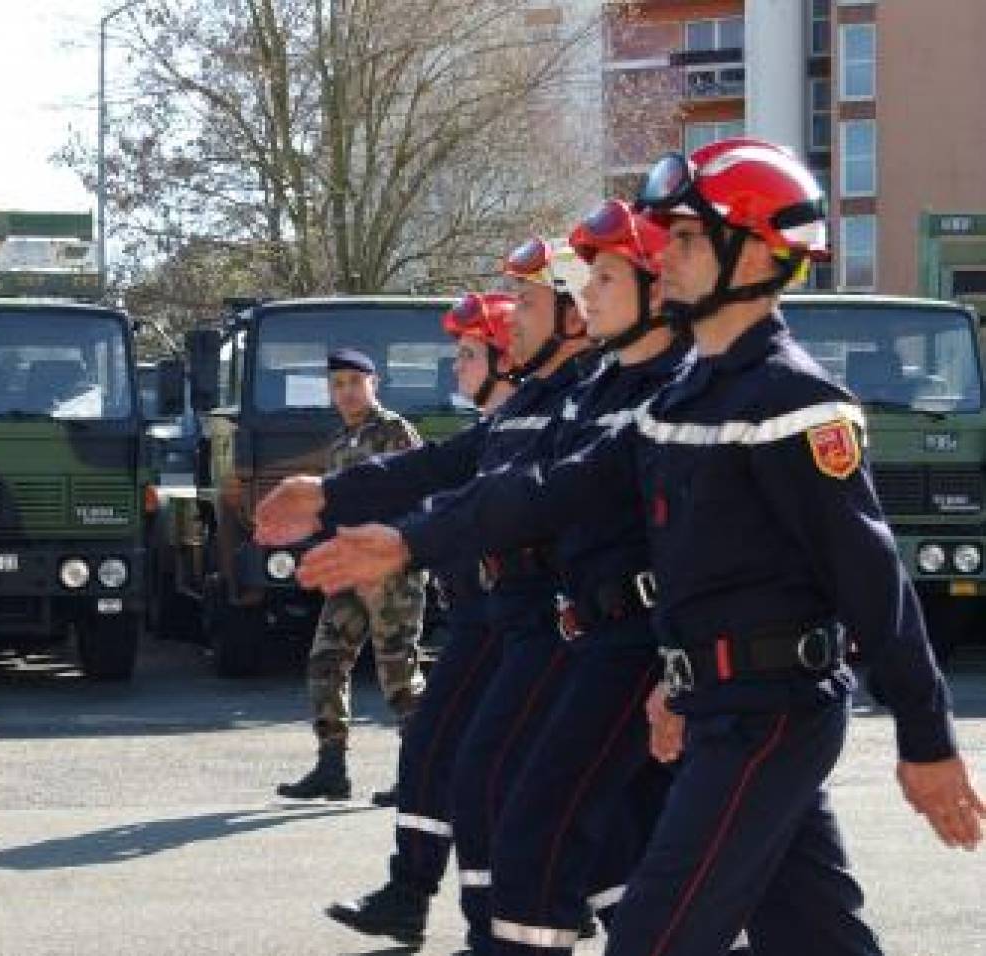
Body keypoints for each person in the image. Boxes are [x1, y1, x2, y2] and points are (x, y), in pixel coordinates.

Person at [285, 139, 985, 954]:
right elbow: (563, 491)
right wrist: (408, 537)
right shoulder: (683, 398)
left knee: (653, 937)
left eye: (688, 239)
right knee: (816, 935)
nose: (669, 255)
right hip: (719, 703)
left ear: (755, 254)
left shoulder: (794, 403)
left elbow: (874, 585)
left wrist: (927, 741)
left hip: (773, 712)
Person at [263, 244, 595, 951]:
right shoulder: (523, 414)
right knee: (458, 766)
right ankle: (435, 904)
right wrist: (328, 497)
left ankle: (504, 920)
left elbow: (505, 504)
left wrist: (406, 541)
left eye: (473, 352)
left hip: (556, 624)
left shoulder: (578, 405)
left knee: (538, 796)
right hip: (504, 618)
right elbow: (439, 473)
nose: (460, 367)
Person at [275, 349, 427, 801]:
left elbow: (417, 494)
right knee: (325, 661)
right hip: (348, 571)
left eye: (353, 382)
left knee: (398, 671)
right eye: (337, 384)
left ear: (373, 384)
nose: (345, 392)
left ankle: (419, 773)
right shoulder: (341, 444)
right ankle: (331, 767)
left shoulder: (396, 431)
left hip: (390, 572)